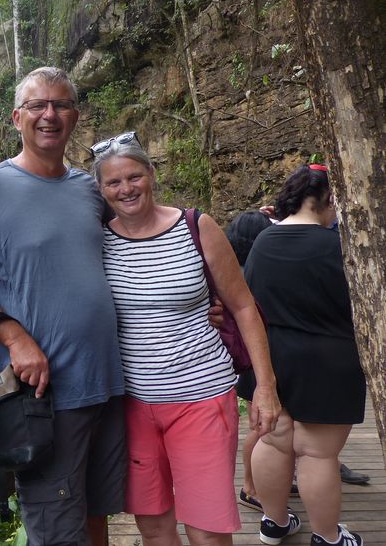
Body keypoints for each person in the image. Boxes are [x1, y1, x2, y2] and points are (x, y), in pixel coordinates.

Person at [0, 67, 127, 546]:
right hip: (44, 397)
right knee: (58, 532)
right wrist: (14, 337)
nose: (50, 114)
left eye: (61, 105)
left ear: (75, 117)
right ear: (16, 117)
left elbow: (127, 253)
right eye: (38, 105)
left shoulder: (90, 189)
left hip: (106, 386)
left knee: (96, 519)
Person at [91, 132, 281, 546]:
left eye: (134, 176)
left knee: (206, 529)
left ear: (152, 174)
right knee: (154, 525)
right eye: (113, 182)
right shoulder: (99, 242)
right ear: (101, 189)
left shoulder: (196, 226)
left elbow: (244, 307)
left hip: (202, 396)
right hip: (134, 404)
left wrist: (265, 388)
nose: (126, 188)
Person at [245, 164, 366, 546]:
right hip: (329, 361)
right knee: (317, 454)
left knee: (273, 441)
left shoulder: (263, 242)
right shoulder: (339, 247)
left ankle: (274, 523)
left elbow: (250, 302)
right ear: (330, 198)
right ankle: (328, 537)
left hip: (273, 358)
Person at [223, 211, 280, 513]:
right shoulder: (256, 272)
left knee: (261, 427)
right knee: (260, 429)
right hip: (259, 359)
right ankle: (250, 485)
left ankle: (260, 480)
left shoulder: (233, 269)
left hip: (247, 363)